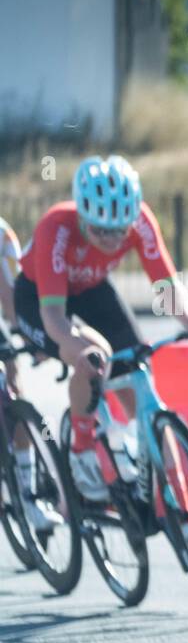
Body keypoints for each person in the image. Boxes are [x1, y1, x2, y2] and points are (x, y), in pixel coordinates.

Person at [14, 156, 188, 516]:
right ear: (83, 217)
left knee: (137, 379)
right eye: (100, 230)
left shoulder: (140, 220)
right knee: (93, 357)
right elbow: (55, 318)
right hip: (40, 298)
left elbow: (168, 286)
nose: (110, 239)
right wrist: (80, 352)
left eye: (119, 230)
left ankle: (182, 509)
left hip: (91, 289)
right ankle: (82, 452)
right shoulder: (56, 228)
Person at [0, 214, 61, 534]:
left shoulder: (2, 235)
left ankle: (27, 494)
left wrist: (26, 337)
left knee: (13, 386)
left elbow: (11, 299)